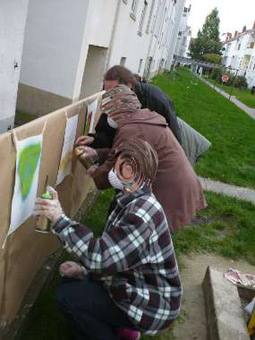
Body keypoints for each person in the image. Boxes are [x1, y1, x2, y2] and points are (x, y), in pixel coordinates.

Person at [34, 138, 182, 340]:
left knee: (68, 297)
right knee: (71, 283)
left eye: (116, 166)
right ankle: (123, 330)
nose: (110, 170)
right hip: (135, 284)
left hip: (152, 305)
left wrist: (59, 219)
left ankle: (120, 329)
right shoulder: (131, 198)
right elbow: (114, 255)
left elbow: (101, 257)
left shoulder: (140, 215)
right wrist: (84, 271)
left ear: (130, 171)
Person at [82, 85, 206, 232]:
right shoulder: (143, 118)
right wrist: (96, 153)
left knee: (146, 239)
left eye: (108, 112)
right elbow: (122, 152)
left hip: (168, 191)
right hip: (179, 184)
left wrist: (96, 172)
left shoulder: (133, 129)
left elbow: (117, 170)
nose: (107, 117)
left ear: (116, 111)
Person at [76, 65, 181, 149]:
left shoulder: (156, 99)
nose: (111, 96)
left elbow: (174, 138)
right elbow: (107, 133)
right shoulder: (114, 101)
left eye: (115, 90)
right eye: (107, 92)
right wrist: (93, 140)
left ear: (129, 85)